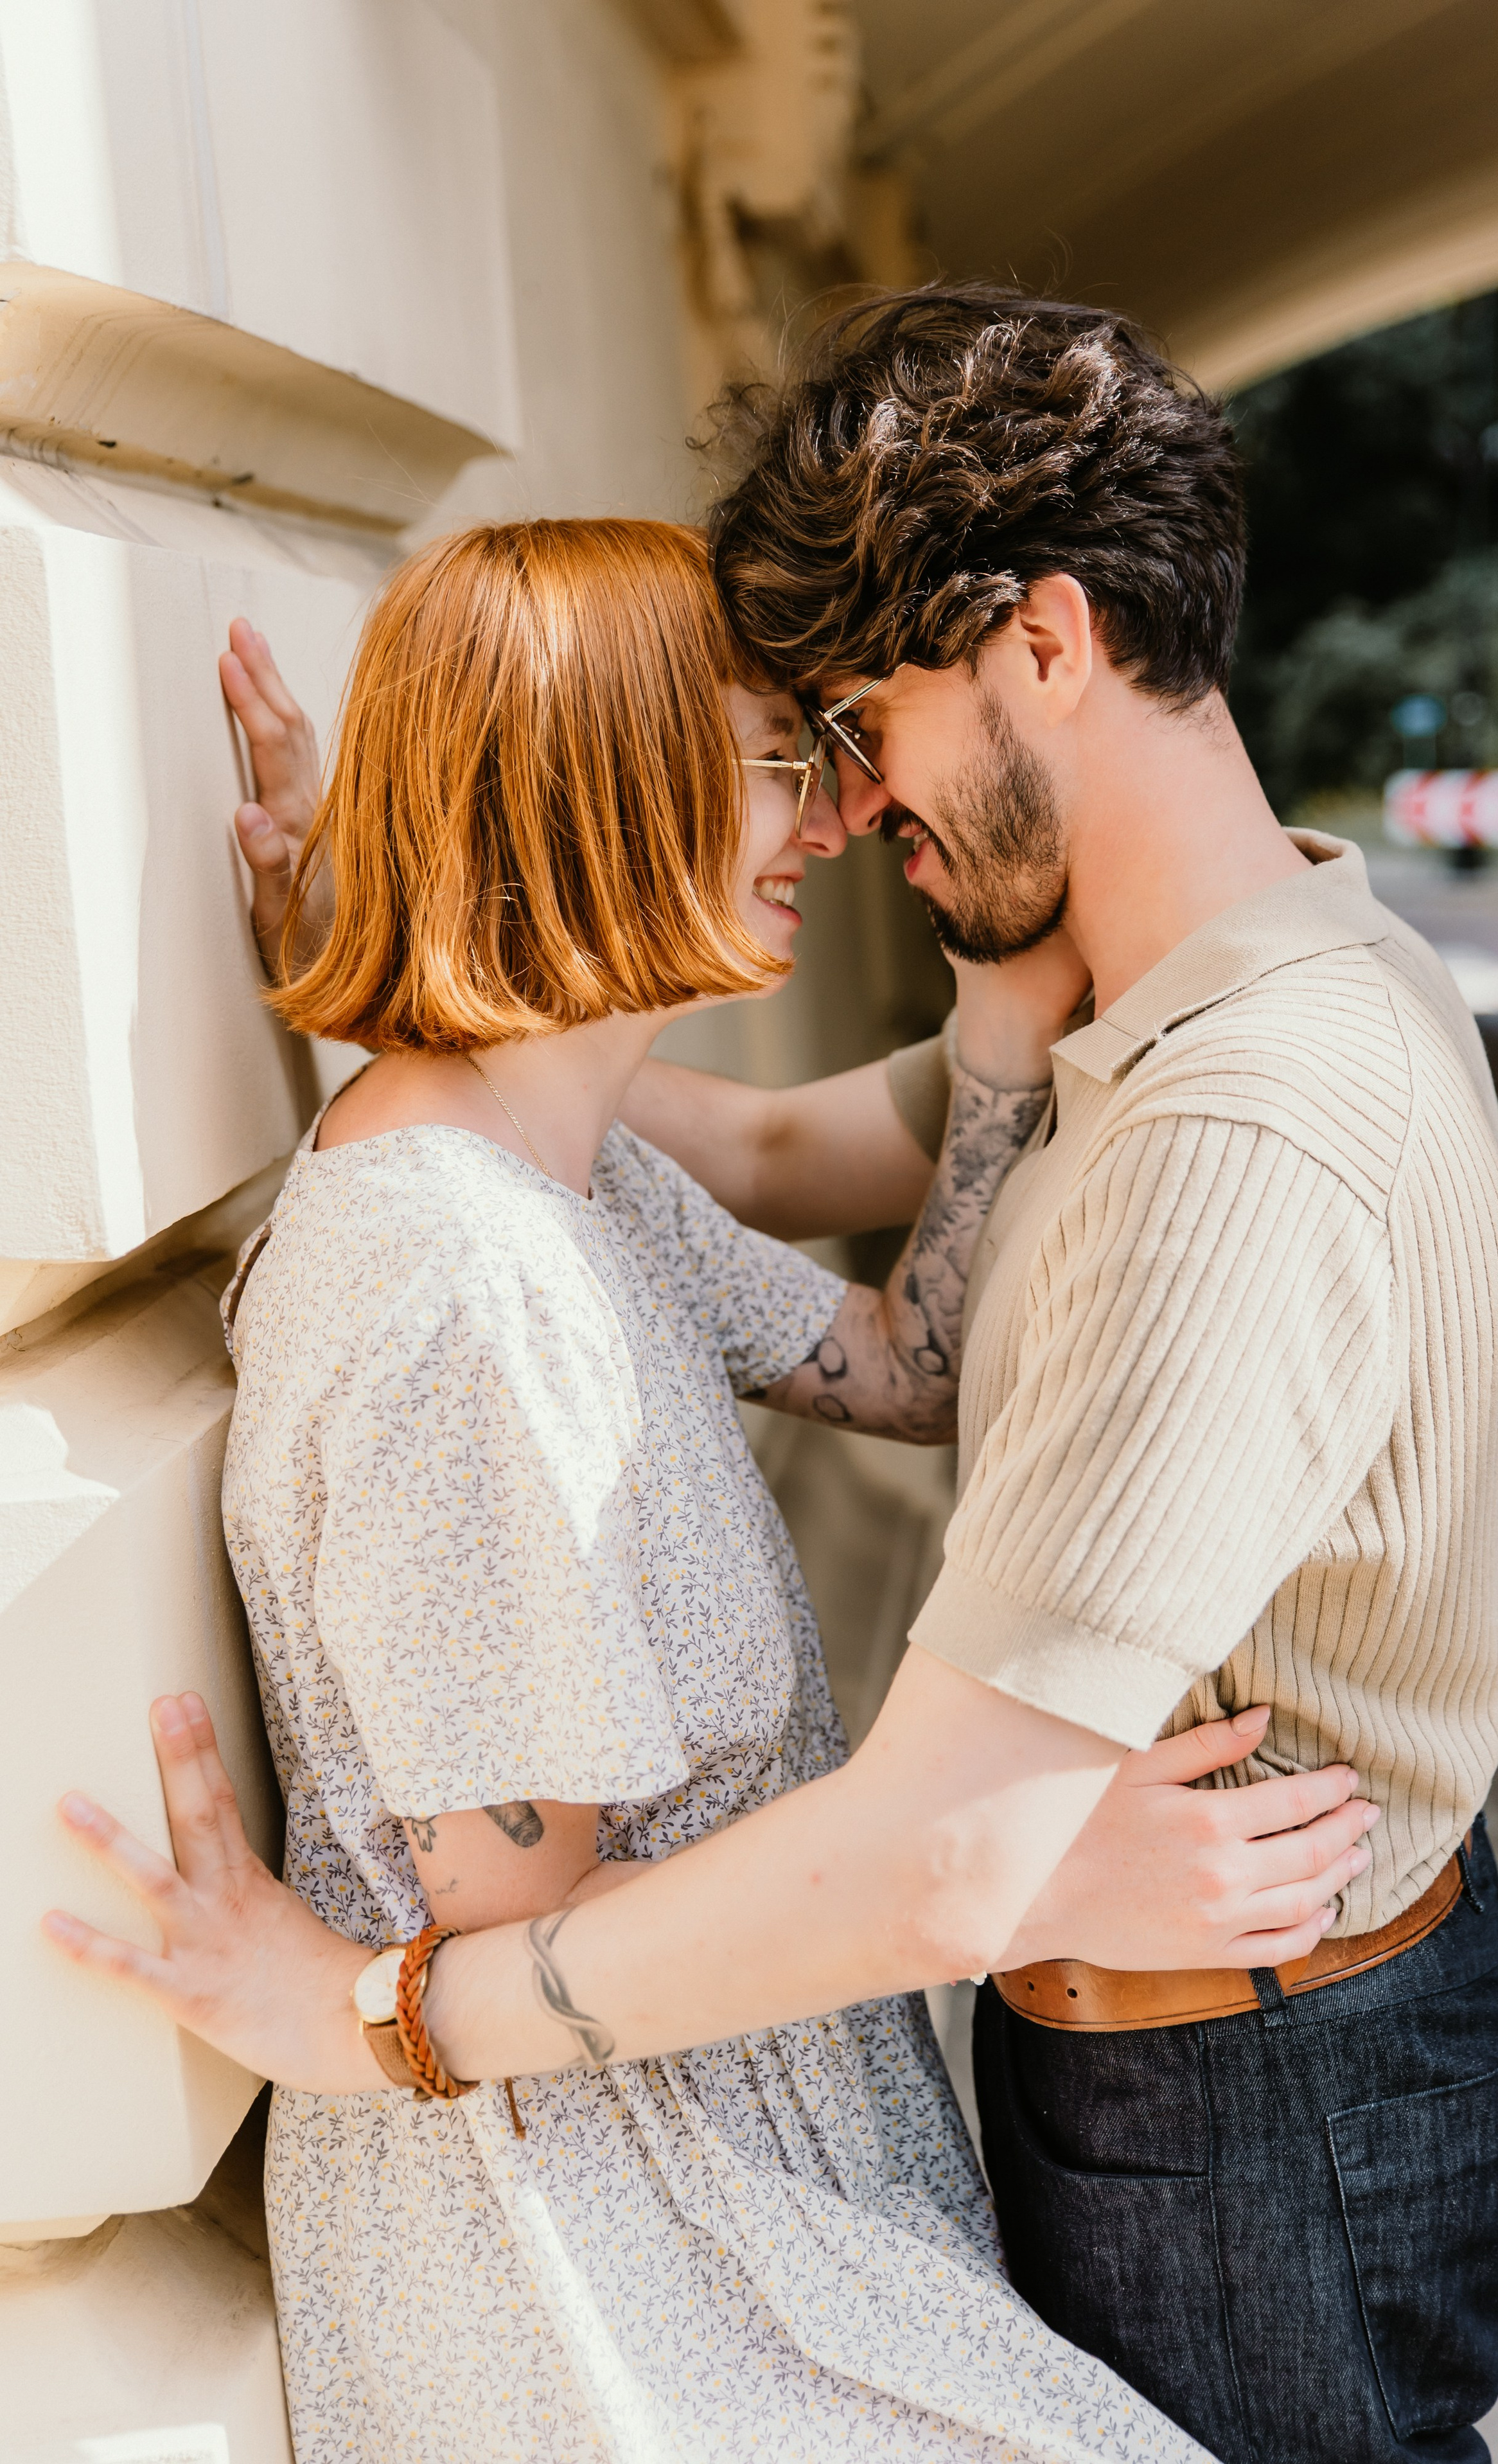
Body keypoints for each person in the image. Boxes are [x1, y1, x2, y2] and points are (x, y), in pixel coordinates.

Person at [48, 511, 1376, 2464]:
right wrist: (1000, 1878)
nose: (833, 816)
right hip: (613, 2268)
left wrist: (1005, 1013)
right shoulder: (461, 1285)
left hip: (741, 2195)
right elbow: (511, 1924)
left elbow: (912, 1369)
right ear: (600, 786)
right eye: (776, 756)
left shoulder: (568, 1172)